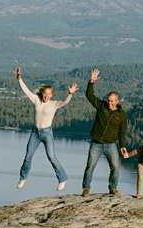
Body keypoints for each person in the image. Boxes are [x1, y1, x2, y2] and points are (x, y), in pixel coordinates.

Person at [14, 67, 77, 191]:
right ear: (42, 93)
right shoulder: (36, 100)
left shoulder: (54, 104)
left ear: (51, 95)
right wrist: (19, 79)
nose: (47, 96)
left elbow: (65, 102)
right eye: (45, 94)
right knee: (28, 156)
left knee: (51, 157)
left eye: (49, 94)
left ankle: (62, 179)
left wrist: (70, 94)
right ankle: (23, 178)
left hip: (47, 133)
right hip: (35, 133)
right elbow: (25, 90)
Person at [81, 68, 128, 197]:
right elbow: (89, 96)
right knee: (90, 167)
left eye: (112, 101)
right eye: (108, 100)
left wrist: (123, 146)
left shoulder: (122, 115)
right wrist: (91, 82)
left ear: (117, 101)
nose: (109, 103)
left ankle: (113, 188)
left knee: (116, 168)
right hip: (96, 143)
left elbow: (122, 132)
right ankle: (86, 188)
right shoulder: (101, 106)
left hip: (111, 145)